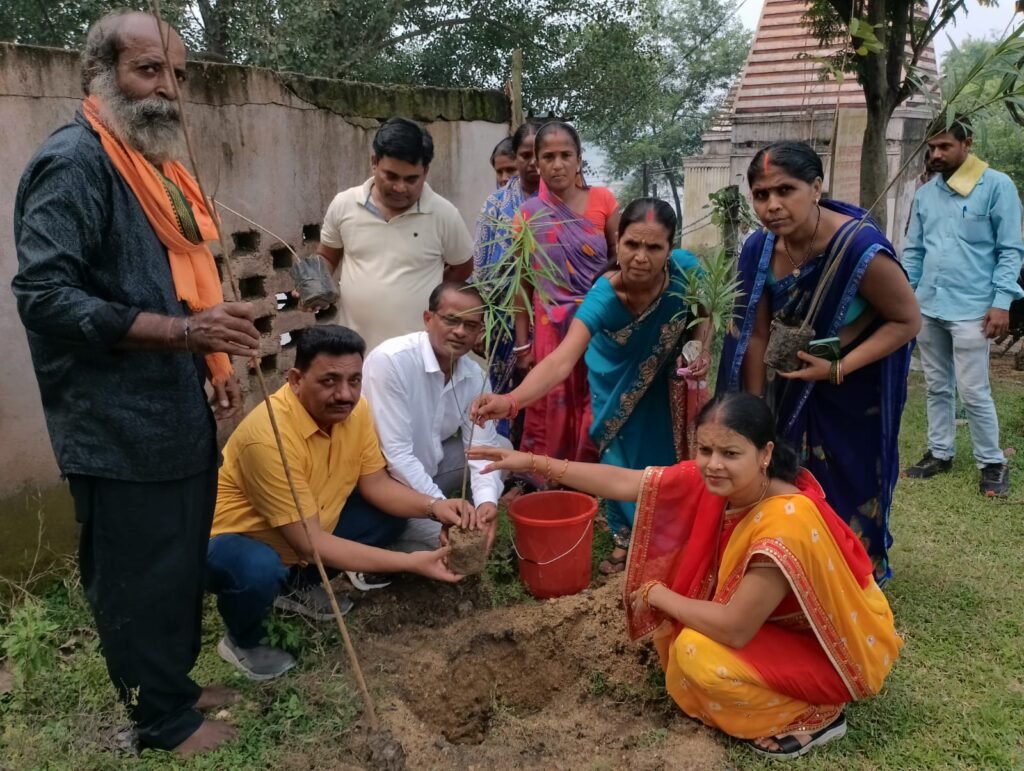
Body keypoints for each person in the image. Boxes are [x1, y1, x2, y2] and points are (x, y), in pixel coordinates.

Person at [11, 11, 260, 755]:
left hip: (174, 408)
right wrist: (185, 334)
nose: (168, 90)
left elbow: (184, 291)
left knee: (179, 558)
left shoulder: (156, 169)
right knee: (137, 572)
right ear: (99, 75)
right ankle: (160, 720)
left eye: (178, 75)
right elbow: (44, 296)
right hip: (114, 422)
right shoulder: (76, 163)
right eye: (148, 71)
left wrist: (208, 359)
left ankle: (174, 684)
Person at [469, 392, 902, 759]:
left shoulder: (784, 524)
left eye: (730, 453)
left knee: (698, 657)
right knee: (683, 646)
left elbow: (733, 629)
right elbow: (628, 483)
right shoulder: (727, 481)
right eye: (704, 450)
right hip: (777, 623)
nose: (713, 464)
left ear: (766, 453)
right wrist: (530, 460)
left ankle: (819, 715)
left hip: (827, 645)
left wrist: (658, 595)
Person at [207, 325, 475, 680]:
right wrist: (411, 562)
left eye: (354, 380)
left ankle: (293, 586)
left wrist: (433, 506)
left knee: (387, 517)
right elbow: (312, 543)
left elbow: (377, 484)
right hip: (234, 541)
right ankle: (242, 639)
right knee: (258, 568)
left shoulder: (356, 412)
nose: (344, 394)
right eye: (329, 381)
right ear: (295, 379)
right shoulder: (268, 439)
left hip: (305, 525)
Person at [716, 141, 919, 583]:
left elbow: (906, 320)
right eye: (761, 194)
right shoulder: (760, 248)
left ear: (816, 187)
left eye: (785, 190)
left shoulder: (858, 249)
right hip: (788, 384)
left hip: (850, 390)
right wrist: (755, 413)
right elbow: (755, 332)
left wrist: (836, 367)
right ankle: (790, 566)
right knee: (788, 469)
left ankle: (847, 574)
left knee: (843, 474)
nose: (772, 206)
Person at [471, 198, 711, 574]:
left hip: (665, 376)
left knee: (665, 446)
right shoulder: (604, 294)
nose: (641, 258)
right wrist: (511, 400)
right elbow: (560, 361)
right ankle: (626, 538)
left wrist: (701, 346)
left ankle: (669, 533)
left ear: (670, 248)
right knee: (618, 448)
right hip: (611, 374)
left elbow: (707, 310)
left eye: (654, 247)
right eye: (632, 244)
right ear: (617, 240)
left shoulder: (688, 272)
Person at [902, 118, 1024, 497]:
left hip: (974, 309)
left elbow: (1010, 250)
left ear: (966, 144)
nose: (935, 154)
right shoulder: (925, 194)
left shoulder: (996, 186)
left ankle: (992, 463)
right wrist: (906, 298)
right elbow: (914, 251)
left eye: (944, 147)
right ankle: (940, 453)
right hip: (929, 306)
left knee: (973, 390)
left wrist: (1001, 302)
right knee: (938, 386)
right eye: (931, 148)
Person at [363, 282, 508, 552]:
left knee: (502, 449)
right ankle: (371, 550)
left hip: (430, 468)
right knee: (447, 547)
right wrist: (442, 507)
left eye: (472, 325)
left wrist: (487, 502)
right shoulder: (392, 362)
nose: (460, 332)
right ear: (428, 319)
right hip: (383, 484)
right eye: (451, 320)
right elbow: (396, 455)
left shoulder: (474, 376)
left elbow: (481, 449)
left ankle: (441, 517)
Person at [312, 117, 474, 351]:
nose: (400, 187)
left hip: (415, 355)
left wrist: (428, 298)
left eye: (411, 179)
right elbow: (327, 256)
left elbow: (462, 267)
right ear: (374, 162)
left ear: (425, 171)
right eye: (391, 176)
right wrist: (315, 283)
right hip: (356, 352)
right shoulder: (344, 204)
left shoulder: (444, 215)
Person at [513, 121, 620, 467]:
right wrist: (522, 343)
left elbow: (619, 261)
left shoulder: (602, 200)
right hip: (550, 326)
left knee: (596, 398)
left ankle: (595, 472)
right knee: (553, 402)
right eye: (548, 156)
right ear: (537, 164)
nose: (557, 164)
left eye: (565, 155)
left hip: (599, 321)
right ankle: (550, 472)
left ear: (579, 160)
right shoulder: (527, 214)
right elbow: (522, 284)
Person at [472, 120, 543, 437]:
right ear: (516, 156)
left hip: (555, 321)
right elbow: (481, 269)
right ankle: (504, 465)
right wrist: (480, 324)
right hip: (504, 324)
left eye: (539, 154)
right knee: (505, 398)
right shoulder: (496, 205)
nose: (533, 163)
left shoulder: (567, 203)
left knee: (549, 397)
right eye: (525, 154)